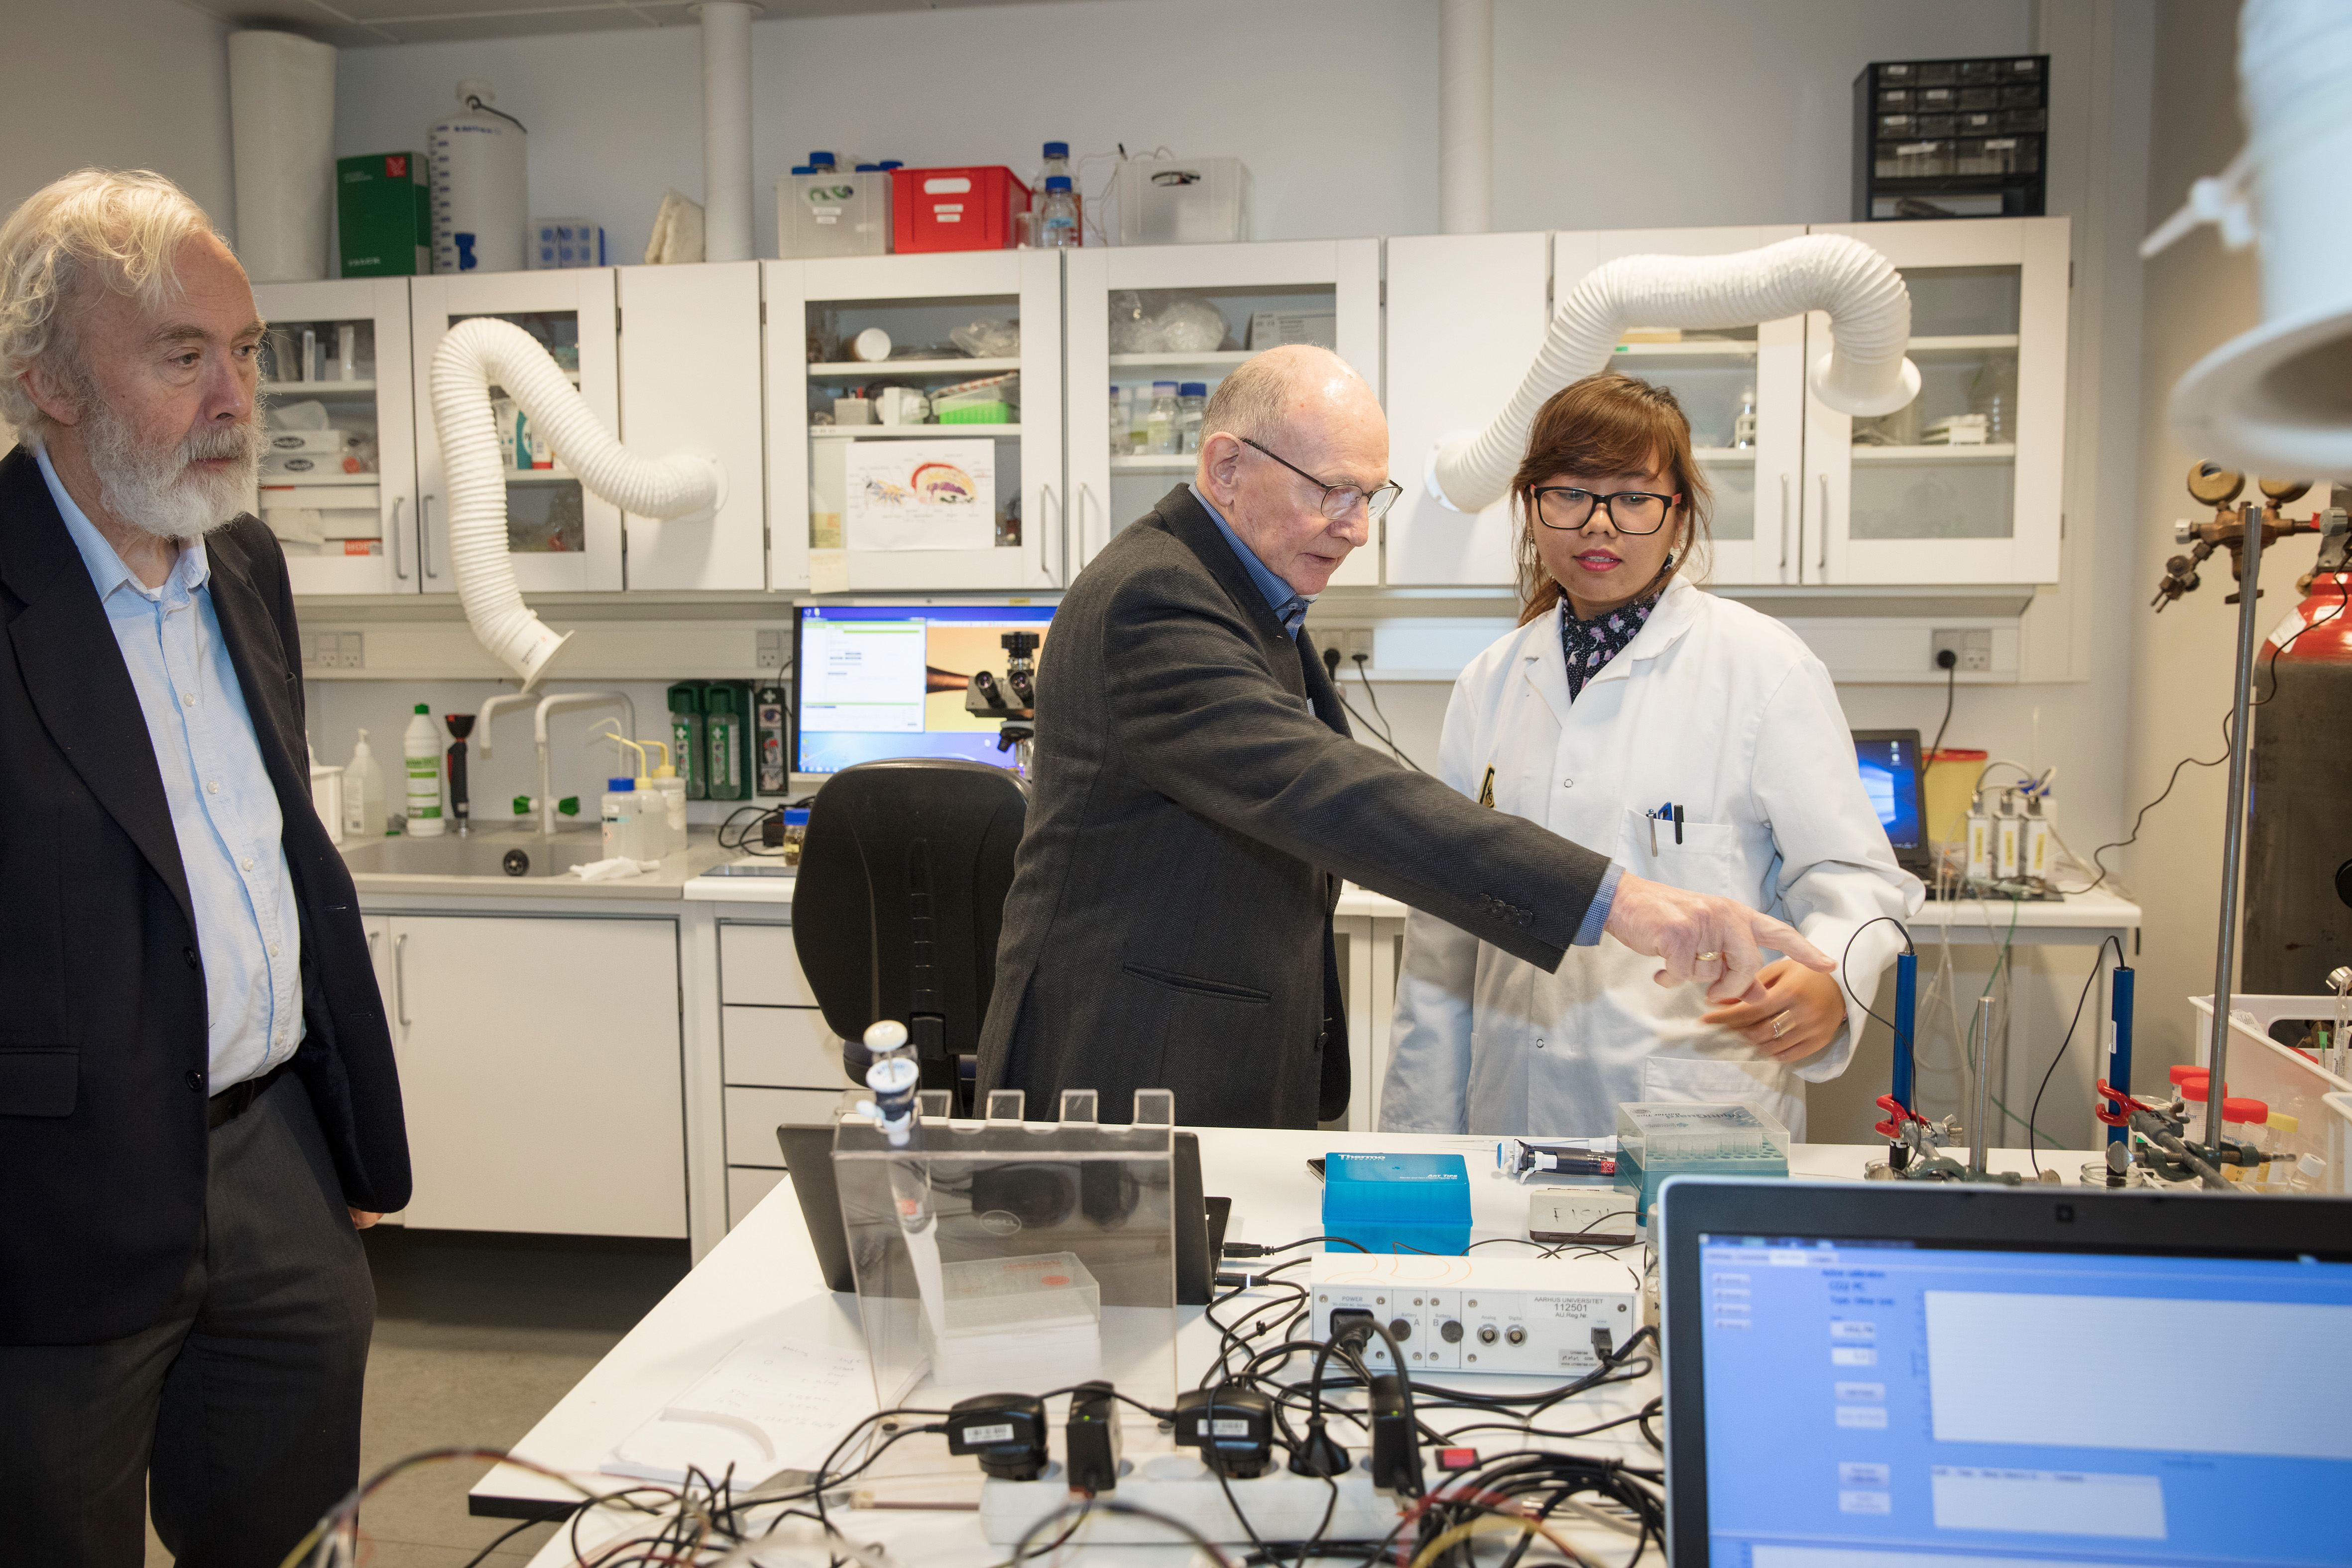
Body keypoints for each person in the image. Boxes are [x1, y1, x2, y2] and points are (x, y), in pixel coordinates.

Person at [975, 345, 1834, 1129]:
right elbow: (1328, 795)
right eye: (1331, 491)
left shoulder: (1250, 599)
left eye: (1369, 497)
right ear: (1227, 466)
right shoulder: (1156, 597)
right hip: (1128, 1076)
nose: (1355, 525)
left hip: (1205, 1067)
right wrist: (1628, 899)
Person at [0, 170, 410, 1564]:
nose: (237, 395)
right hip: (54, 1205)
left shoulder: (239, 561)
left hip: (269, 1155)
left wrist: (337, 1123)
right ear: (46, 379)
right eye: (183, 354)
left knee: (293, 1539)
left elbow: (280, 854)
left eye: (245, 351)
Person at [1379, 373, 1921, 1137]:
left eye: (1635, 498)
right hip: (1512, 1110)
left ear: (1679, 518)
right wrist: (1414, 1150)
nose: (1600, 526)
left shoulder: (1764, 668)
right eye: (1570, 494)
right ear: (1531, 508)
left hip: (1697, 1107)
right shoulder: (1489, 685)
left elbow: (1857, 877)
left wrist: (1832, 980)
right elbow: (1444, 936)